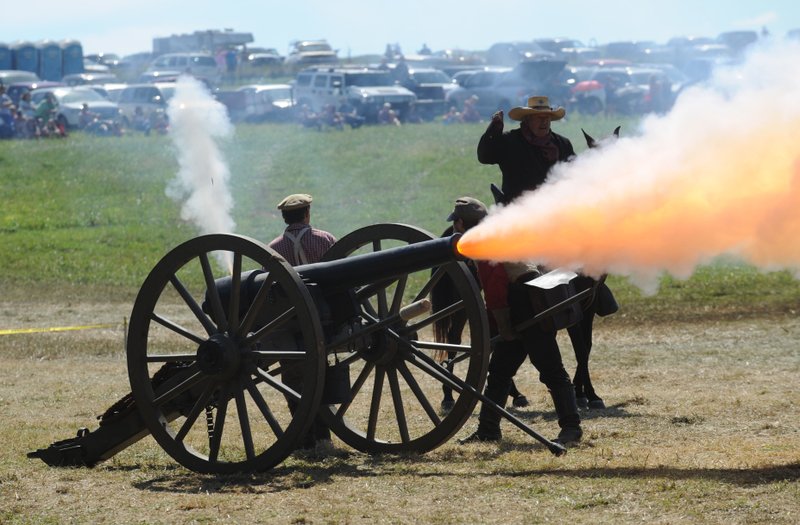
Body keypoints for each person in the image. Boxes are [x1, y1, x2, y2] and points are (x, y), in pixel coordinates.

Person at [450, 196, 583, 446]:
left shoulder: (483, 242)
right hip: (529, 295)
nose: (454, 228)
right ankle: (488, 429)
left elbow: (495, 288)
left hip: (522, 301)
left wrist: (503, 325)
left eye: (455, 223)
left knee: (550, 368)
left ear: (460, 222)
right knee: (499, 372)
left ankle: (572, 427)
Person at [268, 194, 338, 452]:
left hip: (290, 325)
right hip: (325, 322)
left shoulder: (273, 249)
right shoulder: (325, 239)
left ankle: (305, 439)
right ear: (307, 213)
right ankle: (323, 438)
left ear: (285, 217)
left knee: (294, 381)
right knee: (321, 377)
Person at [477, 95, 575, 204]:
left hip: (555, 207)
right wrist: (493, 130)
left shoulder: (562, 143)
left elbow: (574, 174)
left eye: (547, 117)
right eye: (539, 118)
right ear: (528, 119)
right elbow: (485, 157)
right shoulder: (510, 140)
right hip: (517, 209)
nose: (544, 122)